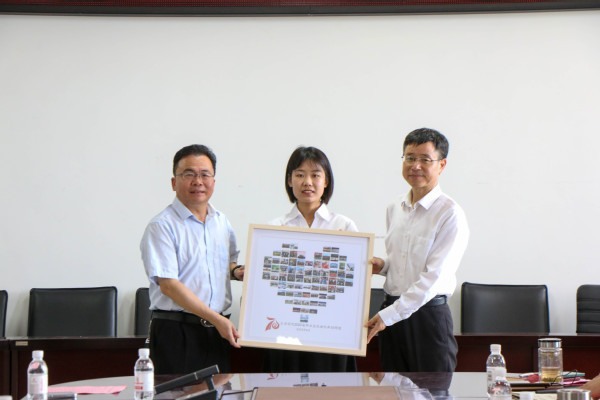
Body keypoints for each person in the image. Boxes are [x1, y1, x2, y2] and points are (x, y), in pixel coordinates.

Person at [365, 128, 469, 372]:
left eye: (425, 159)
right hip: (391, 313)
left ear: (441, 165)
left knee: (432, 390)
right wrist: (384, 266)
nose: (415, 166)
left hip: (427, 318)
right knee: (392, 388)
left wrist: (390, 315)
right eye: (410, 158)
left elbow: (434, 277)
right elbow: (403, 260)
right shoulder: (394, 207)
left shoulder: (450, 213)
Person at [140, 144, 243, 375]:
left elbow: (225, 265)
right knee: (178, 392)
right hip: (177, 333)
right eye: (189, 174)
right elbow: (169, 285)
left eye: (205, 174)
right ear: (174, 182)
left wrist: (236, 272)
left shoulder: (221, 222)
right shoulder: (161, 226)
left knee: (219, 391)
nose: (198, 181)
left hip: (216, 333)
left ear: (213, 181)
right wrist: (216, 319)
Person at [262, 146, 358, 372]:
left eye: (315, 175)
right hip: (285, 332)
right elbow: (267, 286)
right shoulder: (274, 228)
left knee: (332, 387)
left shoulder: (344, 226)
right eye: (300, 175)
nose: (307, 182)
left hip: (332, 332)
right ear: (290, 180)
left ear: (326, 181)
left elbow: (353, 285)